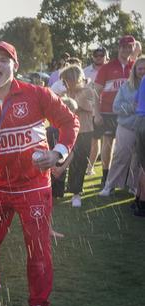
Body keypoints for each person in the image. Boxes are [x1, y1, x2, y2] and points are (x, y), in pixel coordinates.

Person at [0, 41, 79, 306]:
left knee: (37, 249)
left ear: (14, 65)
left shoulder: (36, 94)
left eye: (4, 59)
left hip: (33, 186)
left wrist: (58, 153)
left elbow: (70, 122)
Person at [94, 35, 136, 187]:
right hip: (108, 111)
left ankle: (127, 179)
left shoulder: (136, 66)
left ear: (133, 48)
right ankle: (106, 175)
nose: (126, 49)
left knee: (130, 146)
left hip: (130, 114)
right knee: (108, 144)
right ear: (119, 48)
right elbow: (96, 92)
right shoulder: (107, 67)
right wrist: (97, 113)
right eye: (124, 46)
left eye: (130, 47)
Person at [99, 56, 145, 196]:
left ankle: (134, 186)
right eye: (140, 68)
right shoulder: (126, 86)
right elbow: (116, 107)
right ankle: (109, 185)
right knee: (120, 156)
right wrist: (131, 107)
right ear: (135, 70)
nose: (143, 71)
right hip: (126, 127)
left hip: (142, 128)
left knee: (138, 159)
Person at [57, 65, 96, 207]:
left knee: (79, 162)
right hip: (66, 130)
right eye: (64, 81)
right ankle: (57, 191)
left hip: (84, 131)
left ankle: (76, 193)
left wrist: (75, 104)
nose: (65, 84)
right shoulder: (65, 93)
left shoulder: (88, 91)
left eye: (67, 80)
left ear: (75, 79)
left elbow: (92, 108)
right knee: (59, 159)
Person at [84, 47, 109, 176]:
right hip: (89, 111)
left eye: (101, 55)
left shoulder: (111, 69)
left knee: (108, 141)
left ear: (106, 56)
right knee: (94, 140)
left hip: (108, 110)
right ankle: (89, 167)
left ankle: (105, 171)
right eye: (96, 55)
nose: (98, 57)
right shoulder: (86, 71)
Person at [134, 71, 145, 216]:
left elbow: (136, 101)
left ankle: (138, 200)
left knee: (143, 166)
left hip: (140, 121)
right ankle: (142, 205)